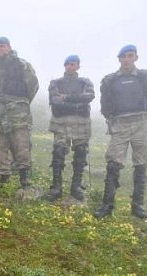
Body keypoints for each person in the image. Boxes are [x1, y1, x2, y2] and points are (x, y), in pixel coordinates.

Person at [93, 45, 147, 219]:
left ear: (136, 57)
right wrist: (112, 118)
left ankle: (138, 205)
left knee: (141, 164)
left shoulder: (146, 77)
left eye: (130, 56)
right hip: (120, 123)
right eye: (123, 57)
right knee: (113, 163)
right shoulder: (110, 80)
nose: (127, 59)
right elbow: (105, 105)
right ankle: (107, 205)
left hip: (141, 122)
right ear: (119, 59)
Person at [0, 37, 39, 187]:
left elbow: (33, 86)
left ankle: (24, 177)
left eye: (2, 46)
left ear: (9, 47)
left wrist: (21, 103)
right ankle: (4, 175)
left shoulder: (22, 65)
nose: (0, 49)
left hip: (18, 113)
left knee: (21, 144)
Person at [45, 55, 95, 202]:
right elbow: (54, 100)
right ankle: (56, 187)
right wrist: (77, 104)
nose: (70, 67)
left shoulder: (85, 82)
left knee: (80, 154)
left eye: (73, 64)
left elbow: (89, 97)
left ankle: (76, 186)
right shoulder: (55, 83)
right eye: (67, 64)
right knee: (58, 153)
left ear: (78, 66)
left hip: (81, 122)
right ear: (64, 66)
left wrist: (66, 98)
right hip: (61, 122)